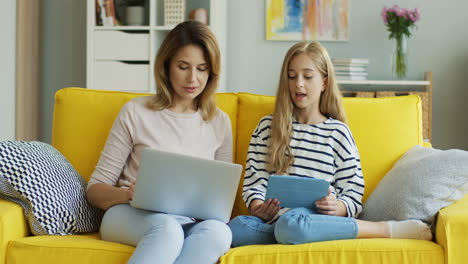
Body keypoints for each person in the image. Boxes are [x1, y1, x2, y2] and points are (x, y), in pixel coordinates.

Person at [228, 41, 432, 247]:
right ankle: (293, 234)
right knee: (236, 229)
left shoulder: (337, 132)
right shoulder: (267, 127)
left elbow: (352, 189)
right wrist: (258, 206)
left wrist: (339, 207)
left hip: (314, 218)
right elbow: (255, 181)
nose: (298, 83)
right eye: (292, 76)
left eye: (307, 76)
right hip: (274, 223)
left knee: (293, 225)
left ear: (324, 82)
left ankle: (382, 229)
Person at [86, 21, 233, 264]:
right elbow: (95, 190)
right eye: (183, 67)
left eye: (202, 69)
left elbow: (220, 202)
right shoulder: (135, 112)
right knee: (167, 230)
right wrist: (126, 195)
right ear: (165, 66)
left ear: (212, 72)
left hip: (190, 222)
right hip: (129, 215)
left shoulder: (219, 122)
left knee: (219, 233)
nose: (193, 78)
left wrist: (209, 212)